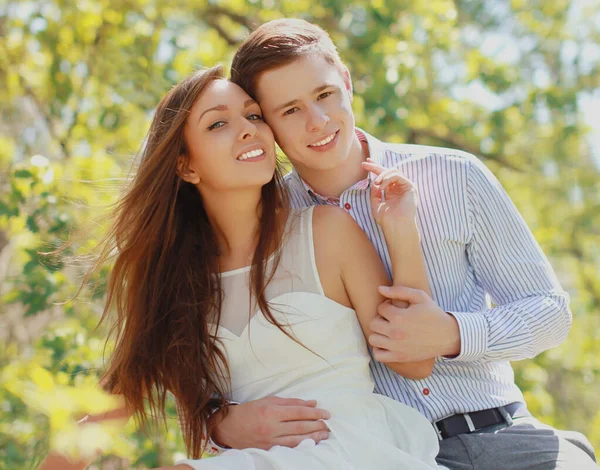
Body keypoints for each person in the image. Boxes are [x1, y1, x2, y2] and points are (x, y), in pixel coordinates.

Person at [202, 18, 599, 470]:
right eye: (289, 110)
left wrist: (453, 333)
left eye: (325, 95)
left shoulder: (455, 175)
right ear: (267, 123)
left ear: (347, 83)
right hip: (380, 454)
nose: (318, 122)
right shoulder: (270, 226)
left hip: (503, 433)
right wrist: (221, 424)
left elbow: (549, 309)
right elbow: (225, 366)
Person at [38, 66, 446, 470]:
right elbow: (106, 408)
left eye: (253, 115)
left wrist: (400, 231)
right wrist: (222, 421)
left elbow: (414, 362)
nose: (250, 129)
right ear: (186, 167)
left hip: (348, 446)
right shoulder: (175, 283)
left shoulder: (326, 231)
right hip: (252, 460)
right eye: (218, 124)